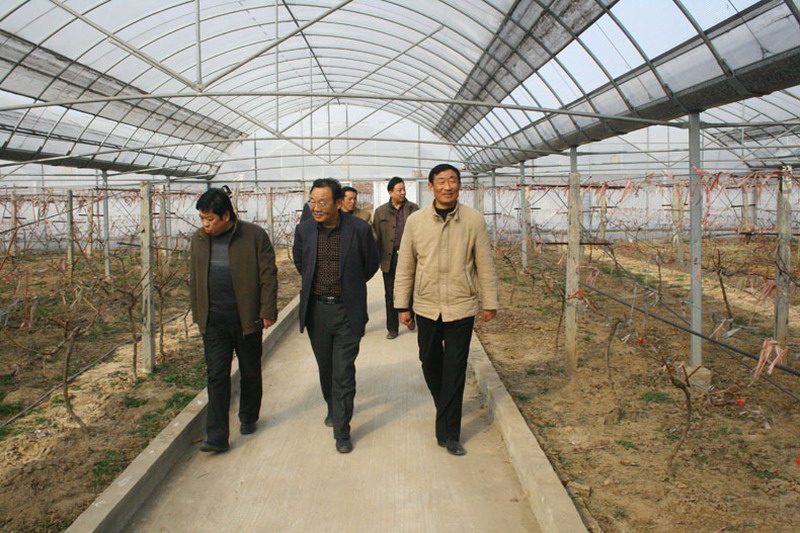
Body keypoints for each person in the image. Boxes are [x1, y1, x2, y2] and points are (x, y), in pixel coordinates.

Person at [394, 164, 498, 456]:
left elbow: (484, 263)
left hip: (461, 304)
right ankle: (446, 406)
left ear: (459, 185)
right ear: (431, 186)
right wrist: (402, 305)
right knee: (429, 361)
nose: (448, 186)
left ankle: (449, 433)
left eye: (453, 181)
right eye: (441, 181)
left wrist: (490, 301)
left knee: (455, 368)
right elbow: (406, 265)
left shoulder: (473, 220)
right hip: (427, 305)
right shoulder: (416, 222)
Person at [293, 178, 379, 453]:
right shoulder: (304, 230)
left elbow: (370, 264)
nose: (316, 207)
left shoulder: (359, 229)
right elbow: (301, 263)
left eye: (322, 202)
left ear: (338, 203)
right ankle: (332, 405)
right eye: (312, 201)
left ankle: (342, 430)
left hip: (347, 310)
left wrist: (350, 285)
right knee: (326, 367)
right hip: (317, 310)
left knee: (343, 371)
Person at [189, 187, 278, 453]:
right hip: (214, 321)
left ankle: (248, 416)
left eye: (210, 219)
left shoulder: (253, 236)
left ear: (226, 216)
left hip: (246, 318)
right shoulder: (198, 240)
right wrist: (198, 313)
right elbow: (194, 277)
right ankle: (216, 436)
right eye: (202, 218)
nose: (205, 224)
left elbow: (268, 275)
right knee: (216, 376)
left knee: (249, 371)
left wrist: (267, 311)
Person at [371, 176, 419, 339]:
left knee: (410, 291)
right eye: (399, 190)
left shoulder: (413, 209)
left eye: (404, 189)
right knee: (390, 295)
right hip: (389, 259)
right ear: (390, 192)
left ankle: (410, 318)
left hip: (409, 257)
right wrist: (378, 259)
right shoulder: (381, 212)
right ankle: (392, 328)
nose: (403, 192)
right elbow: (376, 237)